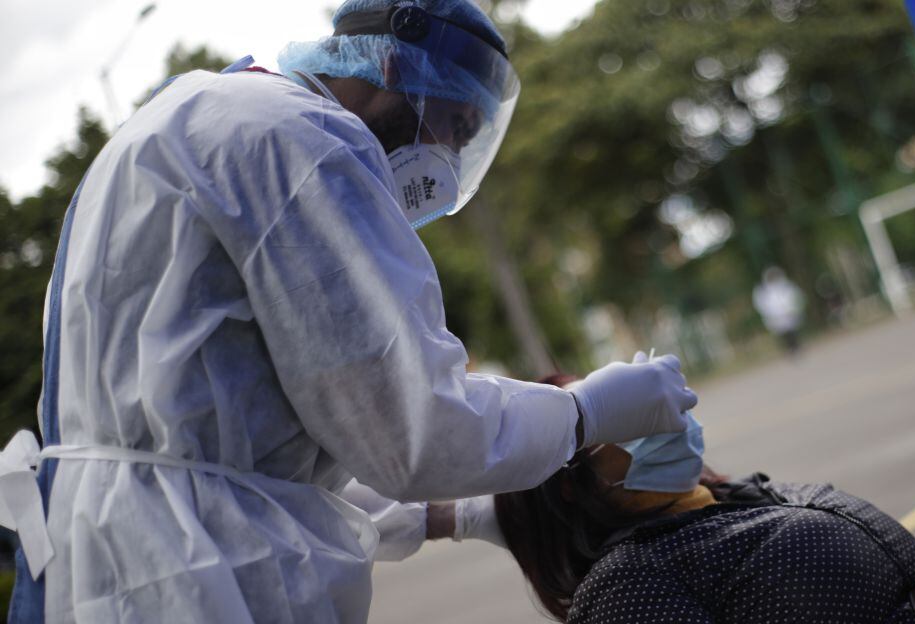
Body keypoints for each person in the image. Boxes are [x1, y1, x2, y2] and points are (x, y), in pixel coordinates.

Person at [0, 2, 698, 622]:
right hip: (197, 575)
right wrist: (588, 413)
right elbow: (414, 431)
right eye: (453, 125)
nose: (447, 157)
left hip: (119, 552)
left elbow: (257, 456)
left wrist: (460, 515)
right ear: (392, 63)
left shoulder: (201, 114)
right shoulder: (307, 145)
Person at [491, 375, 915, 624]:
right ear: (571, 480)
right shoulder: (624, 588)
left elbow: (899, 589)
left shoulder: (736, 494)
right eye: (618, 418)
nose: (651, 416)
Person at [752, 266, 806, 354]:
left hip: (789, 313)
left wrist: (792, 308)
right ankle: (790, 348)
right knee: (784, 333)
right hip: (777, 316)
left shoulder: (786, 286)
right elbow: (764, 305)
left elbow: (793, 297)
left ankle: (795, 347)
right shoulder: (765, 291)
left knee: (792, 331)